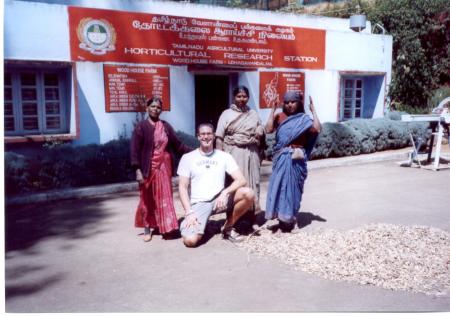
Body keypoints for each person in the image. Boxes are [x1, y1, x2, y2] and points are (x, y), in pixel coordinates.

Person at [177, 123, 255, 247]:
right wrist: (189, 212)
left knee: (248, 193)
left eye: (209, 134)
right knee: (190, 241)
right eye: (203, 134)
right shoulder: (188, 158)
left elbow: (241, 180)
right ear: (198, 137)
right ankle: (194, 225)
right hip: (199, 203)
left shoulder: (224, 156)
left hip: (220, 200)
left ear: (213, 136)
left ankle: (227, 227)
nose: (206, 137)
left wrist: (225, 193)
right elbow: (182, 187)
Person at [131, 97, 192, 242]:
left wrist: (195, 151)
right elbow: (134, 150)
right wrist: (137, 170)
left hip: (164, 167)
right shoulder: (141, 127)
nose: (155, 109)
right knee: (147, 198)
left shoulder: (165, 126)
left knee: (164, 197)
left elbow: (178, 145)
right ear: (147, 108)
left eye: (158, 107)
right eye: (152, 106)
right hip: (147, 168)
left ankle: (165, 227)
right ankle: (147, 227)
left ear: (161, 110)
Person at [264, 91, 322, 232]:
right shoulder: (280, 117)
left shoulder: (304, 119)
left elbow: (318, 129)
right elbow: (268, 129)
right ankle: (281, 221)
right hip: (281, 158)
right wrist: (272, 110)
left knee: (294, 190)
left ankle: (292, 220)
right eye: (287, 102)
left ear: (299, 103)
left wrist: (314, 111)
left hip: (296, 158)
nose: (290, 105)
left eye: (293, 102)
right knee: (279, 189)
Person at [215, 85, 265, 230]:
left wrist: (260, 130)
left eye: (244, 96)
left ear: (248, 97)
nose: (242, 99)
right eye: (239, 96)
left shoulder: (253, 113)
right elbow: (219, 137)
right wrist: (220, 158)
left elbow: (260, 127)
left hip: (251, 152)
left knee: (253, 183)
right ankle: (233, 220)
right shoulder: (226, 114)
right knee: (235, 184)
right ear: (234, 97)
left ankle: (253, 218)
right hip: (234, 152)